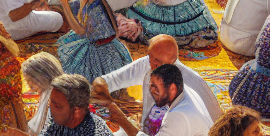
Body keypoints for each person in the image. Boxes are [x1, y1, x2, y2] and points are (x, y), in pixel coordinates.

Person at [92, 32, 220, 124]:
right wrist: (106, 93)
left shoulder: (190, 83)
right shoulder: (149, 63)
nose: (152, 64)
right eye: (150, 57)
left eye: (157, 61)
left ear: (173, 61)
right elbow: (108, 80)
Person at [55, 0, 131, 80]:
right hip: (94, 40)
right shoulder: (89, 0)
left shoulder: (95, 8)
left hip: (102, 49)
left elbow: (80, 30)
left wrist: (65, 5)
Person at [0, 52, 64, 136]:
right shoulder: (48, 93)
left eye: (30, 81)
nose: (29, 86)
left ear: (41, 77)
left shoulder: (54, 100)